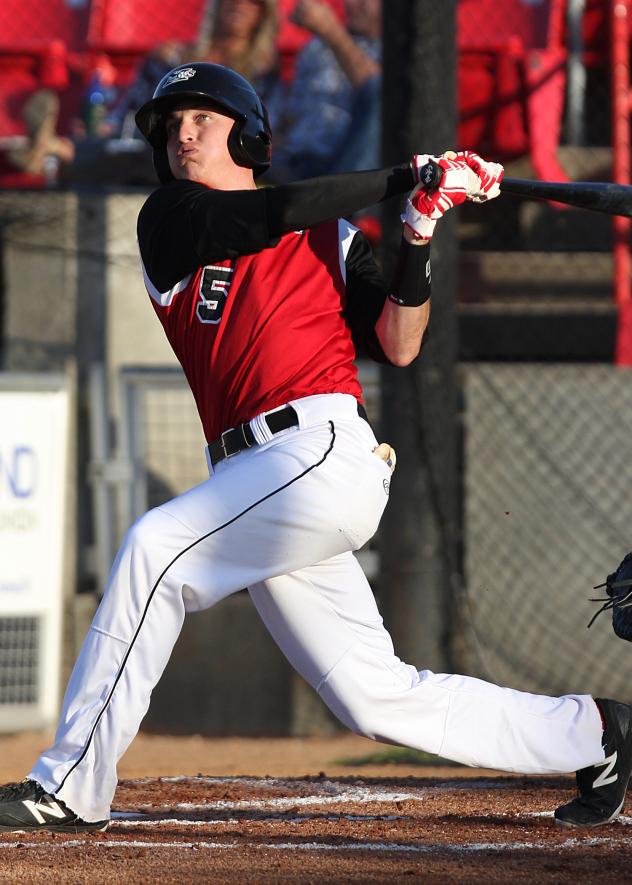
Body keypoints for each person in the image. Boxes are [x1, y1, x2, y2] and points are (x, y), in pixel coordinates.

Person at [0, 62, 629, 834]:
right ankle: (595, 731)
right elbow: (276, 212)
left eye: (200, 117)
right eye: (171, 125)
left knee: (153, 548)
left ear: (248, 133)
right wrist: (407, 173)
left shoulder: (332, 239)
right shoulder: (171, 218)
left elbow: (400, 342)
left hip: (319, 456)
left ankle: (67, 783)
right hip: (251, 477)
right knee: (372, 693)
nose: (181, 133)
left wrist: (420, 226)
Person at [270, 0, 382, 181]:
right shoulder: (316, 47)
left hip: (345, 166)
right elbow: (290, 112)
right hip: (295, 161)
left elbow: (375, 87)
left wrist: (330, 30)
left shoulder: (391, 51)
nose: (352, 4)